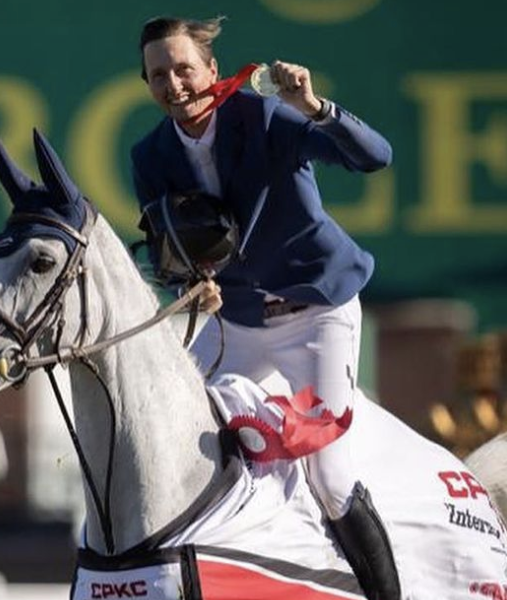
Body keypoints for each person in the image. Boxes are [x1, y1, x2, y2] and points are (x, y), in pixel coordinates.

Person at [131, 16, 399, 599]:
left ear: (211, 71)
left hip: (317, 311)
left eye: (183, 69)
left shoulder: (266, 115)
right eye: (158, 75)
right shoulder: (149, 155)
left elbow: (375, 157)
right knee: (178, 442)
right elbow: (169, 253)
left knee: (330, 479)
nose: (173, 85)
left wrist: (314, 106)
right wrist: (188, 289)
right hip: (238, 322)